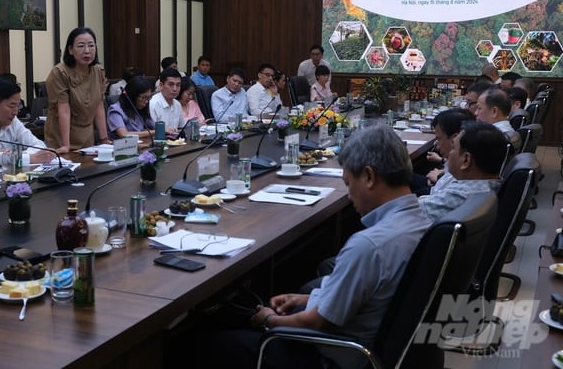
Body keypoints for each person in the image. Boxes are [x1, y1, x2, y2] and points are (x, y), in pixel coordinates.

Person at [173, 125, 431, 369]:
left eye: (349, 184)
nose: (349, 195)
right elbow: (363, 294)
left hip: (331, 356)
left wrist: (269, 320)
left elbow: (320, 321)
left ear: (368, 176)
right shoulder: (419, 221)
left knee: (197, 344)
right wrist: (308, 298)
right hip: (375, 345)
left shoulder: (370, 245)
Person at [419, 121, 504, 222]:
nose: (449, 154)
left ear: (466, 160)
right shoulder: (489, 186)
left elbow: (403, 213)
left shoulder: (460, 195)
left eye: (453, 148)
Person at [44, 27, 110, 153]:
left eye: (91, 45)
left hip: (86, 136)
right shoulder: (60, 72)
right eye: (81, 46)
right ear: (70, 50)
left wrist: (104, 139)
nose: (87, 51)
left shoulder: (98, 71)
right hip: (61, 136)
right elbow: (64, 110)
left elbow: (98, 106)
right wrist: (65, 145)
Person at [474, 85, 521, 152]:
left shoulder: (491, 139)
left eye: (479, 108)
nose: (476, 113)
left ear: (494, 111)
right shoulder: (506, 131)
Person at [107, 76, 155, 140]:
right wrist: (153, 132)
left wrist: (165, 130)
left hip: (143, 145)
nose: (146, 101)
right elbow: (124, 134)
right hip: (123, 148)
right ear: (133, 96)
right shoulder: (115, 110)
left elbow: (154, 126)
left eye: (149, 97)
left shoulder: (140, 108)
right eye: (144, 97)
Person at [149, 67, 185, 136]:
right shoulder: (153, 104)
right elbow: (151, 131)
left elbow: (181, 127)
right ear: (161, 85)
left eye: (178, 85)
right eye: (171, 84)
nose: (175, 89)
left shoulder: (177, 104)